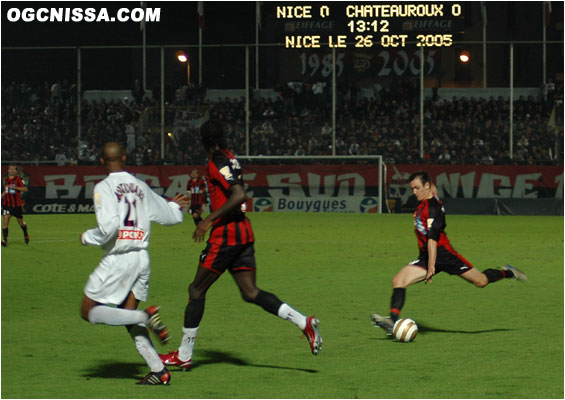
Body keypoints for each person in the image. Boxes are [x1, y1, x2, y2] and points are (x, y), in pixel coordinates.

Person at [159, 120, 322, 370]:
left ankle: (184, 354)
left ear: (203, 141)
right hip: (243, 231)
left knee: (196, 290)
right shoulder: (230, 157)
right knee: (250, 292)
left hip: (226, 235)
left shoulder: (217, 162)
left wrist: (208, 221)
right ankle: (303, 322)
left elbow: (238, 194)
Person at [80, 142, 189, 385]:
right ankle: (159, 371)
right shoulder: (140, 185)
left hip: (120, 259)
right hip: (142, 259)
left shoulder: (103, 187)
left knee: (88, 311)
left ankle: (144, 316)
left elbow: (109, 229)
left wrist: (87, 238)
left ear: (101, 161)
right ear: (125, 158)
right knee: (128, 316)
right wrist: (173, 205)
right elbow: (168, 216)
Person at [371, 171, 527, 335]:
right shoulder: (428, 200)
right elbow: (433, 189)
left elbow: (433, 238)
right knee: (398, 281)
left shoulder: (433, 208)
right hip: (426, 256)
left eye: (417, 188)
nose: (414, 192)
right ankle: (392, 321)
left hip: (444, 255)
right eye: (412, 189)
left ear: (426, 187)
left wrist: (431, 265)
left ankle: (509, 272)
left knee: (481, 281)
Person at [2, 165, 29, 247]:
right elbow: (6, 192)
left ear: (16, 171)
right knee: (5, 223)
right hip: (7, 205)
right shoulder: (6, 180)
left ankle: (25, 233)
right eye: (10, 169)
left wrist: (14, 187)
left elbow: (25, 189)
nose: (11, 170)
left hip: (16, 205)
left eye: (13, 169)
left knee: (21, 223)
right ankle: (5, 241)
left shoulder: (19, 179)